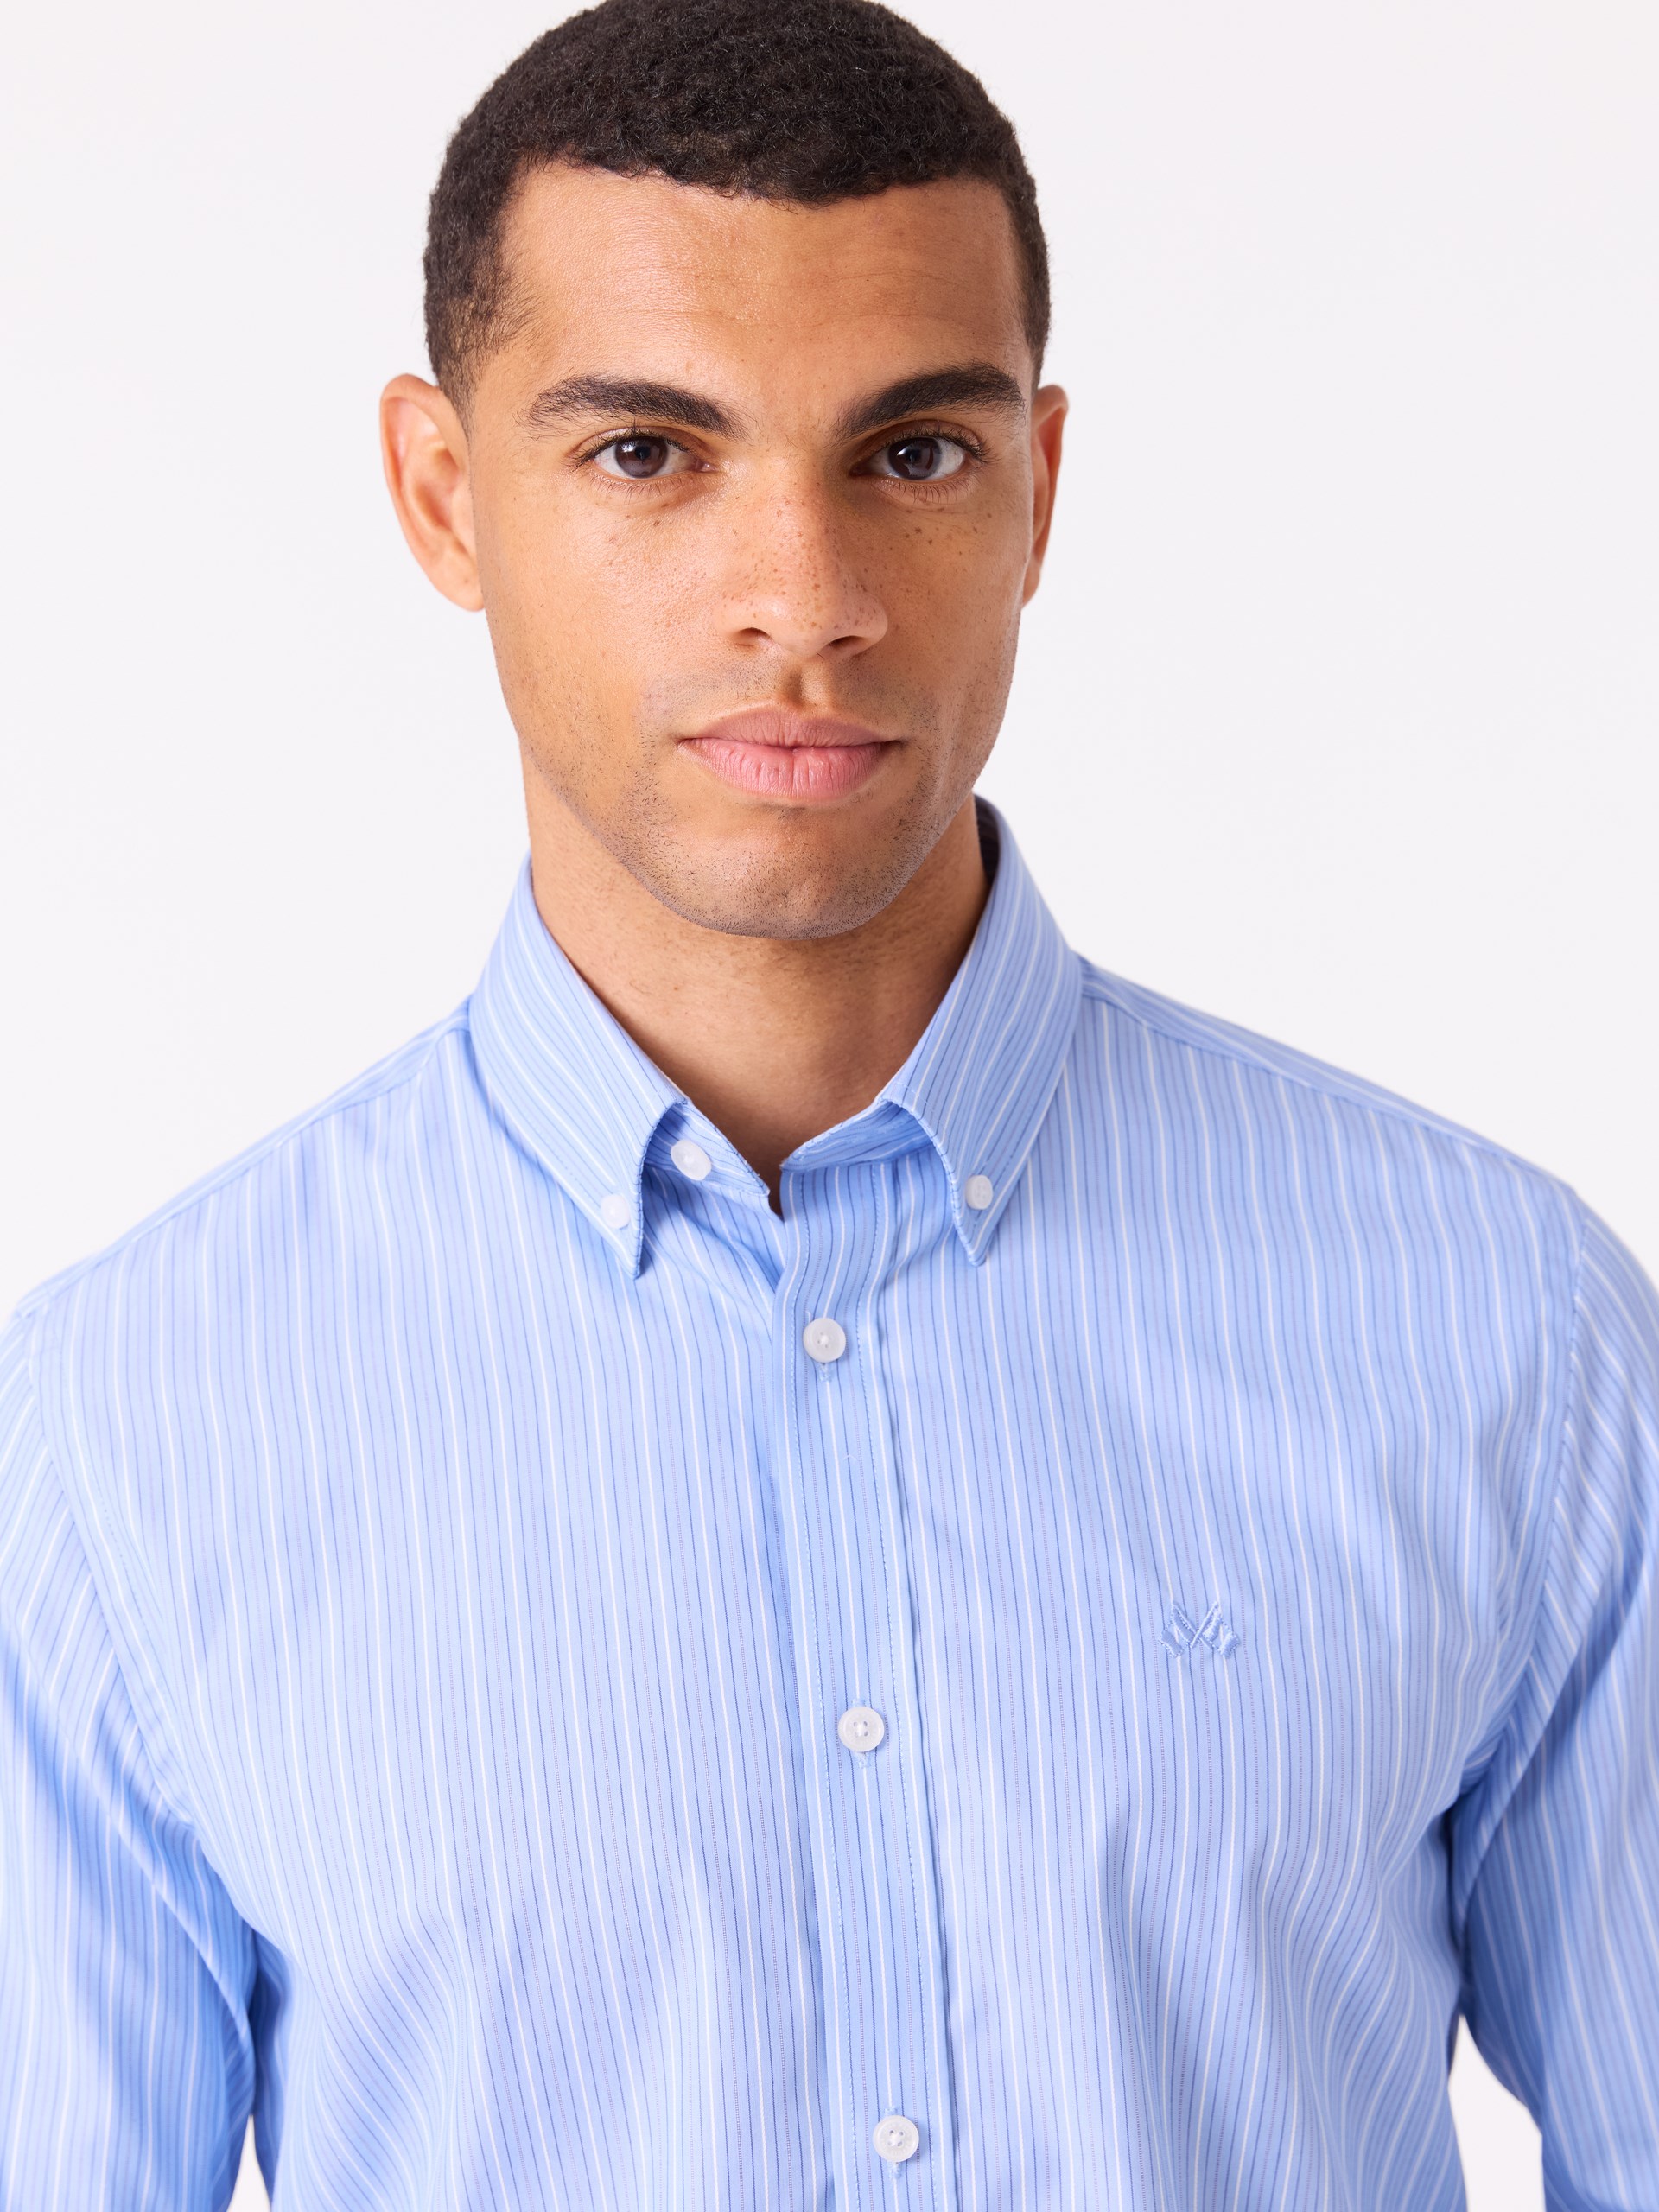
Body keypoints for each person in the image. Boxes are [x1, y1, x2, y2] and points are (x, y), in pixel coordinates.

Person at [2, 0, 1655, 2202]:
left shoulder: (1501, 1327)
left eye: (913, 452)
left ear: (1039, 486)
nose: (805, 599)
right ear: (440, 493)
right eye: (645, 453)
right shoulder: (123, 1434)